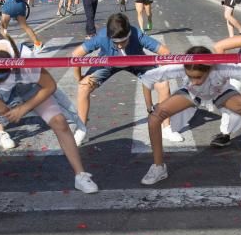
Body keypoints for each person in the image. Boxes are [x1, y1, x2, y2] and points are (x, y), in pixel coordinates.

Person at [0, 36, 98, 195]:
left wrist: (23, 108)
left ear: (11, 68)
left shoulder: (26, 59)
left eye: (1, 79)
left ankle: (81, 176)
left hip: (29, 89)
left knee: (60, 122)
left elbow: (50, 86)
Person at [139, 46, 241, 186]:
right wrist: (149, 106)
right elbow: (147, 78)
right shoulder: (180, 67)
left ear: (209, 68)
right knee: (154, 118)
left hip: (220, 93)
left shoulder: (222, 68)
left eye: (198, 77)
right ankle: (158, 168)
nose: (194, 80)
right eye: (190, 76)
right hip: (192, 93)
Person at [69, 12, 177, 145]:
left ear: (129, 34)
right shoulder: (102, 35)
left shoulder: (136, 34)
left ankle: (166, 128)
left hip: (137, 62)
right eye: (115, 42)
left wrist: (160, 72)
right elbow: (76, 55)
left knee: (163, 84)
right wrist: (80, 78)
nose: (120, 46)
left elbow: (165, 52)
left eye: (123, 41)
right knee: (83, 87)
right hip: (107, 63)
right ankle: (81, 130)